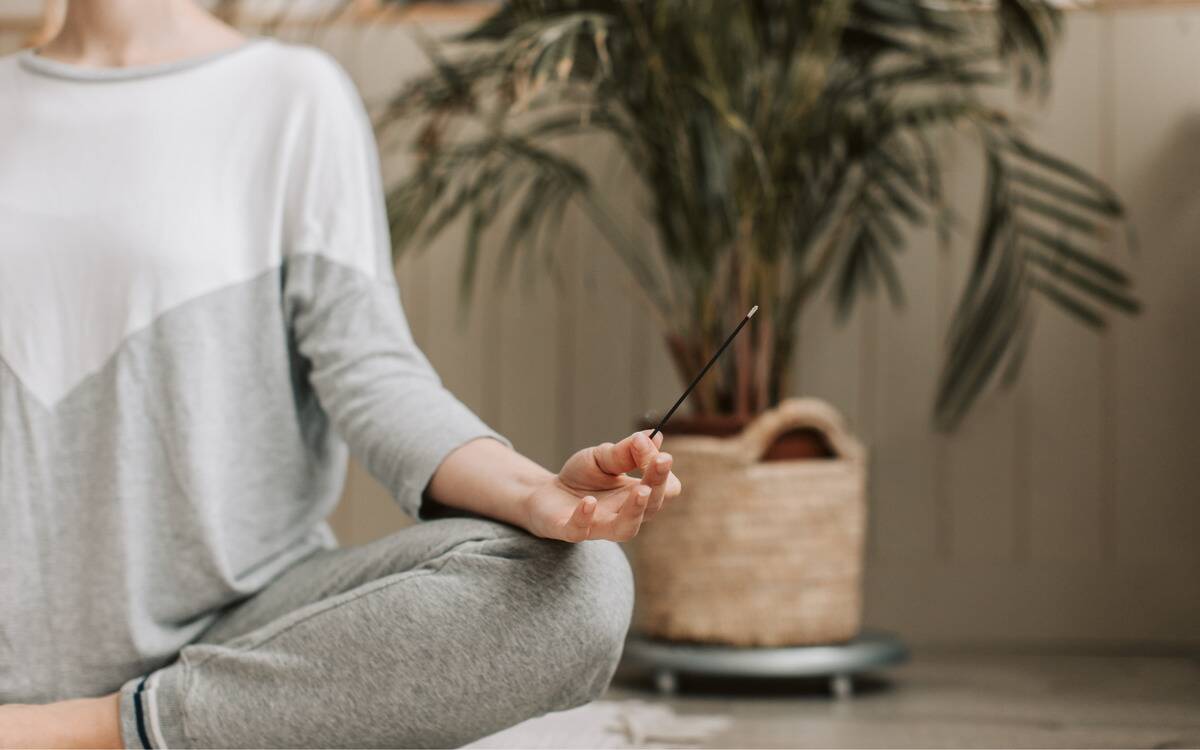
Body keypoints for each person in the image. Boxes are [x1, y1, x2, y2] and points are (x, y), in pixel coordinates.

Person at [0, 1, 681, 747]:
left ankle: (95, 730)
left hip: (245, 628)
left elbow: (371, 368)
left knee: (578, 589)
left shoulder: (290, 97)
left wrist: (539, 494)